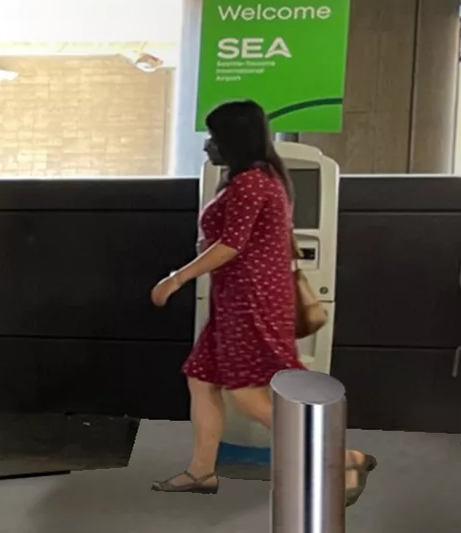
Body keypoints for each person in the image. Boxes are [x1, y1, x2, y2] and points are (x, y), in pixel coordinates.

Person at [152, 100, 374, 503]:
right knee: (202, 381)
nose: (207, 146)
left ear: (234, 140)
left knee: (250, 397)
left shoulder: (252, 183)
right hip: (237, 302)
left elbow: (230, 245)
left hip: (250, 303)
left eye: (214, 137)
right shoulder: (261, 179)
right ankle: (202, 471)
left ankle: (343, 459)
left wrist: (176, 278)